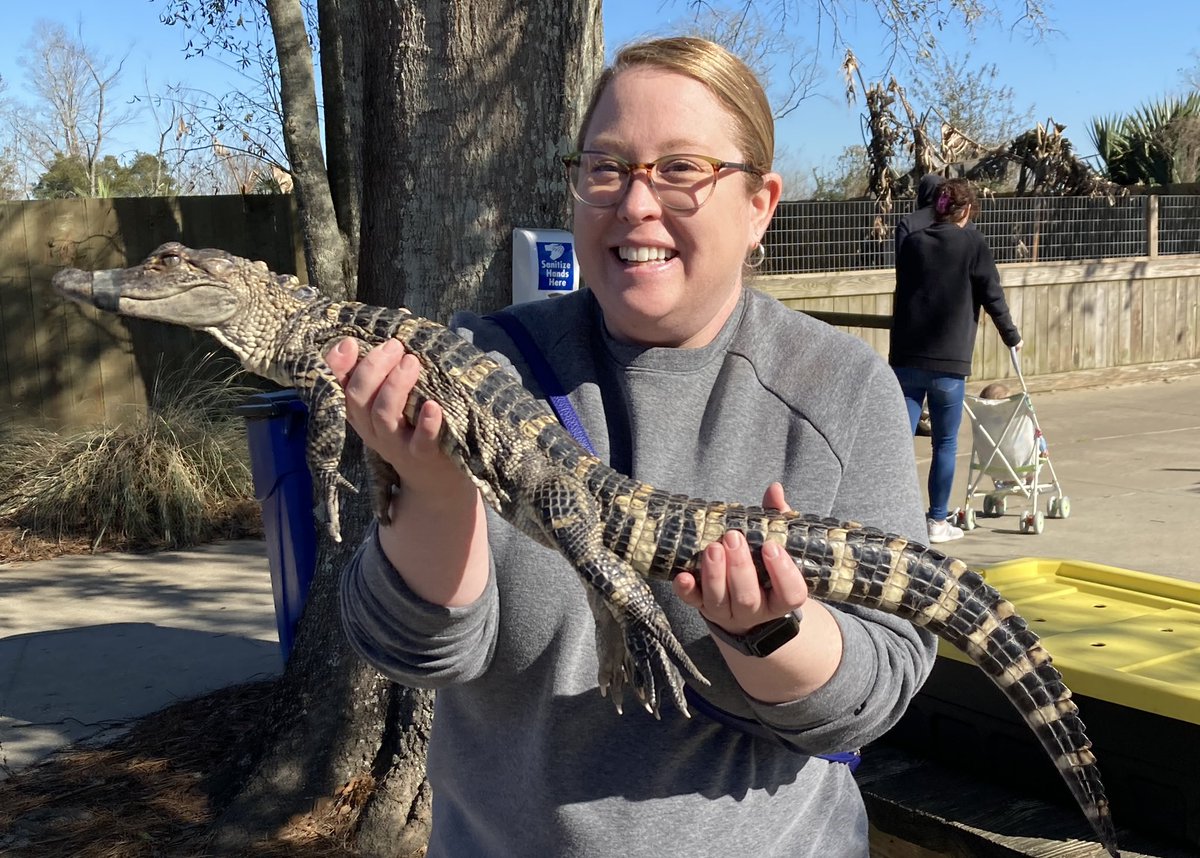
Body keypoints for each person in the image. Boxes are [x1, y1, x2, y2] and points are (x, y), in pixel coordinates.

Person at [332, 36, 935, 858]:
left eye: (682, 168)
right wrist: (430, 490)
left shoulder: (843, 390)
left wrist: (771, 633)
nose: (636, 203)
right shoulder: (476, 363)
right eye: (607, 167)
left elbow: (879, 690)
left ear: (761, 203)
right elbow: (411, 649)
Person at [890, 178, 1023, 544]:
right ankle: (936, 521)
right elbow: (991, 294)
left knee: (898, 441)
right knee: (945, 443)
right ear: (964, 210)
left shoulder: (913, 242)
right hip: (949, 360)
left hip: (906, 355)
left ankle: (891, 517)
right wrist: (1012, 336)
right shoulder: (973, 243)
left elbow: (906, 292)